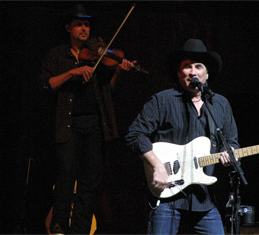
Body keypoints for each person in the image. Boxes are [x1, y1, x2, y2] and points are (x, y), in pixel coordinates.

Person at [37, 4, 135, 235]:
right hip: (69, 124)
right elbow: (46, 84)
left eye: (87, 24)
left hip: (95, 125)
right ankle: (59, 224)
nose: (84, 28)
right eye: (79, 24)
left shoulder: (98, 54)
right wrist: (73, 72)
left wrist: (119, 69)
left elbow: (108, 90)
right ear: (68, 27)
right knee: (66, 175)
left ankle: (81, 229)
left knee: (90, 181)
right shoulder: (58, 54)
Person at [125, 38, 240, 234]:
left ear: (207, 73)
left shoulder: (220, 104)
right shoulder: (162, 100)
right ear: (179, 73)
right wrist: (157, 165)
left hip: (204, 199)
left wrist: (230, 155)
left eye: (198, 66)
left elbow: (231, 141)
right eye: (187, 66)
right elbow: (135, 134)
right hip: (167, 197)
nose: (192, 71)